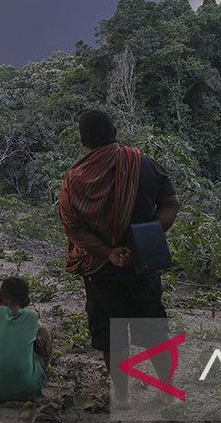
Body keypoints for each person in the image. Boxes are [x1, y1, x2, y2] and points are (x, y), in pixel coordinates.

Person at [58, 109, 180, 400]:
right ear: (115, 132)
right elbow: (171, 204)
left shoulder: (75, 179)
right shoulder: (143, 164)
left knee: (113, 338)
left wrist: (109, 252)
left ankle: (122, 400)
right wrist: (146, 237)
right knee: (153, 330)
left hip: (101, 269)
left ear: (83, 141)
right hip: (142, 264)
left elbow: (72, 226)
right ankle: (166, 390)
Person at [0, 276, 51, 402]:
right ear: (27, 301)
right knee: (44, 332)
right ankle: (38, 390)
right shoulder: (31, 316)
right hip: (27, 388)